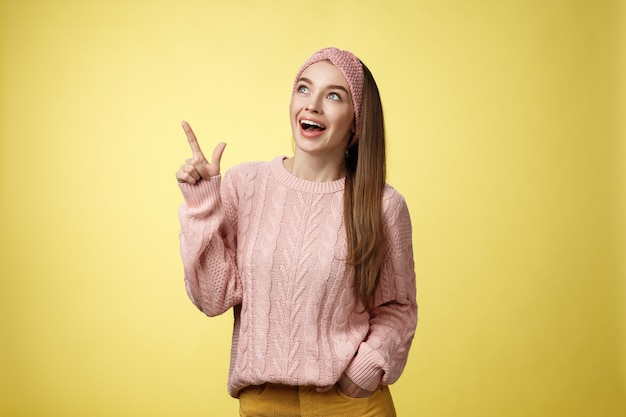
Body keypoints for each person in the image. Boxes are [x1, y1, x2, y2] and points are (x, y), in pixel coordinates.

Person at [175, 47, 417, 417]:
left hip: (350, 404)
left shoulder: (383, 205)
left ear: (357, 121)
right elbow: (212, 298)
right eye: (303, 89)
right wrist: (201, 206)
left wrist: (364, 371)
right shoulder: (244, 185)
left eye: (333, 95)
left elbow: (398, 309)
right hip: (263, 403)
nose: (312, 105)